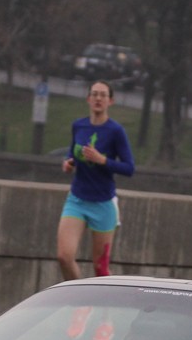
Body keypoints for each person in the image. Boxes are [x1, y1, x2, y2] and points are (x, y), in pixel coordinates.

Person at [57, 80, 135, 281]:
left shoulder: (115, 131)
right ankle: (80, 302)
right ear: (88, 99)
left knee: (100, 269)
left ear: (111, 101)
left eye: (103, 95)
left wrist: (102, 160)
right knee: (64, 257)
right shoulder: (79, 125)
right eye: (94, 94)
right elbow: (72, 153)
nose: (98, 98)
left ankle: (106, 309)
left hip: (103, 202)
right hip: (77, 199)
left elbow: (129, 168)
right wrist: (69, 163)